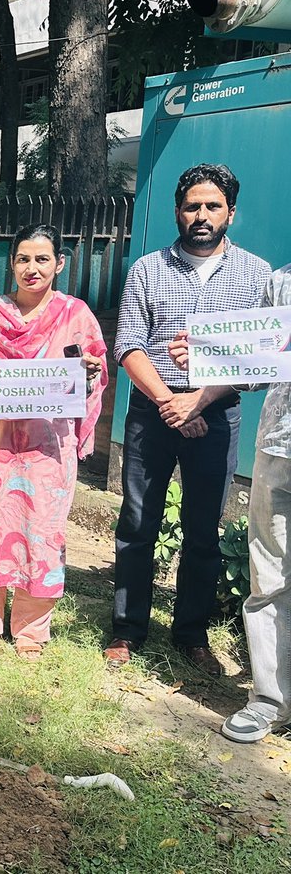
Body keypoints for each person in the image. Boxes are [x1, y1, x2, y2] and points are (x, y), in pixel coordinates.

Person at [109, 163, 270, 674]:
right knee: (137, 522)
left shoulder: (257, 275)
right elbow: (129, 345)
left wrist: (198, 400)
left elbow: (260, 360)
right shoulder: (147, 269)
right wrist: (169, 403)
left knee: (203, 530)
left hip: (217, 413)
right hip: (151, 410)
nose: (201, 215)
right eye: (191, 206)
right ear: (178, 211)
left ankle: (191, 635)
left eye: (212, 206)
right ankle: (126, 630)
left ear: (231, 213)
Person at [0, 224, 108, 660]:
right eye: (22, 259)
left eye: (41, 259)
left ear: (59, 264)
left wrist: (88, 374)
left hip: (47, 446)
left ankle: (32, 631)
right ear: (11, 263)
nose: (31, 268)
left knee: (42, 532)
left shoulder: (76, 316)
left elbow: (93, 375)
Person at [169, 263, 291, 740]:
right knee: (270, 575)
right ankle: (270, 699)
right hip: (278, 449)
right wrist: (205, 355)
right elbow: (256, 369)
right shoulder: (281, 282)